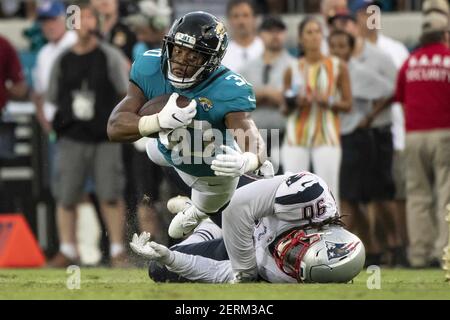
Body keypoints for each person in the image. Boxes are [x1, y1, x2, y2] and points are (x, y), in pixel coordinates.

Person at [107, 11, 268, 240]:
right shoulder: (150, 66)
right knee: (156, 145)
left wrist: (249, 160)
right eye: (178, 51)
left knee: (216, 203)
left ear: (211, 60)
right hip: (161, 149)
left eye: (193, 57)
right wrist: (158, 121)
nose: (181, 61)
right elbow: (114, 127)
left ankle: (198, 210)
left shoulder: (228, 88)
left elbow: (251, 136)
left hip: (207, 166)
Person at [130, 172, 365, 283]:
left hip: (247, 245)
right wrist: (245, 271)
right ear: (318, 233)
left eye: (293, 265)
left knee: (157, 270)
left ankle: (206, 228)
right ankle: (202, 209)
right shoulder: (311, 198)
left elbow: (218, 273)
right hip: (251, 206)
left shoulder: (286, 277)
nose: (285, 256)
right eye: (296, 251)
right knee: (187, 171)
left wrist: (170, 257)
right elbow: (238, 206)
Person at [46, 2, 129, 267]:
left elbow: (124, 92)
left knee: (110, 194)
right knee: (67, 195)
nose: (85, 23)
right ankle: (68, 250)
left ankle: (117, 250)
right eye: (80, 18)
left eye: (91, 17)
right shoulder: (63, 59)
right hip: (72, 136)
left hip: (104, 136)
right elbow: (52, 97)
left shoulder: (110, 56)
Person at [392, 12, 450, 268]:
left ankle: (419, 254)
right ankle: (443, 253)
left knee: (417, 196)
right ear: (445, 36)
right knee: (445, 196)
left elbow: (402, 101)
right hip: (444, 133)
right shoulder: (448, 59)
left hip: (414, 135)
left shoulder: (410, 62)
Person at [281, 16, 352, 198]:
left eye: (318, 32)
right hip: (297, 134)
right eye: (309, 32)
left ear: (323, 36)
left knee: (329, 189)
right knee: (293, 189)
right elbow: (284, 108)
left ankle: (329, 226)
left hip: (326, 135)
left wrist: (327, 101)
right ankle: (295, 226)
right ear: (301, 38)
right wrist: (295, 102)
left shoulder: (337, 66)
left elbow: (347, 104)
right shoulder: (292, 68)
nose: (314, 36)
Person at [240, 16, 295, 173]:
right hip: (255, 134)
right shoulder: (247, 68)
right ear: (260, 35)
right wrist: (268, 93)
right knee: (255, 180)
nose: (275, 35)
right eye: (269, 31)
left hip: (285, 134)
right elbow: (241, 101)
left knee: (284, 179)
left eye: (279, 31)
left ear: (285, 34)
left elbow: (291, 100)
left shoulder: (294, 65)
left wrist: (259, 96)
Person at [221, 0, 264, 72]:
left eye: (245, 15)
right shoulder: (222, 53)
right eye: (236, 16)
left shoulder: (265, 47)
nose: (241, 21)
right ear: (229, 20)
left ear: (254, 19)